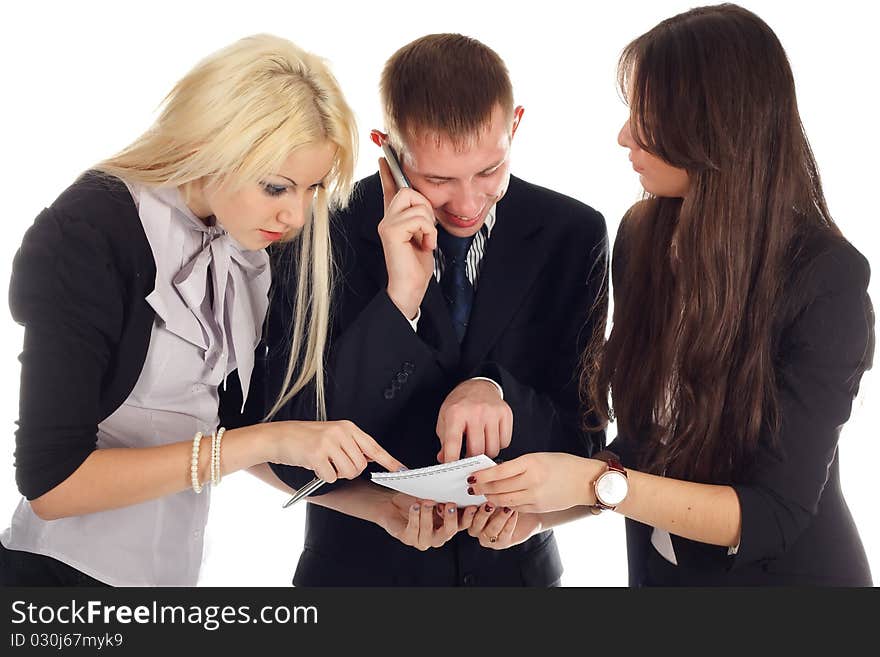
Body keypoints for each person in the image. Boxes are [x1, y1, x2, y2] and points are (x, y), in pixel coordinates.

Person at [470, 3, 874, 586]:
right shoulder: (642, 237)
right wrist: (544, 510)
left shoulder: (827, 279)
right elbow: (642, 448)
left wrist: (589, 483)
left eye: (648, 114)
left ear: (715, 127)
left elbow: (772, 514)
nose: (624, 135)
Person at [0, 34, 403, 587]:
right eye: (277, 186)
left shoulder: (247, 242)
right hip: (55, 583)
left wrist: (374, 507)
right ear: (218, 142)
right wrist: (273, 438)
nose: (296, 216)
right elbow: (52, 485)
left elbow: (219, 428)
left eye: (312, 190)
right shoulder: (91, 234)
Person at [265, 33, 608, 586]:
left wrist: (494, 392)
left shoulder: (574, 234)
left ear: (514, 125)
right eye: (438, 179)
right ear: (388, 150)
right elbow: (293, 454)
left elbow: (586, 443)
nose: (467, 204)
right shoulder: (319, 235)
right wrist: (400, 299)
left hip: (515, 576)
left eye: (489, 170)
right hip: (359, 578)